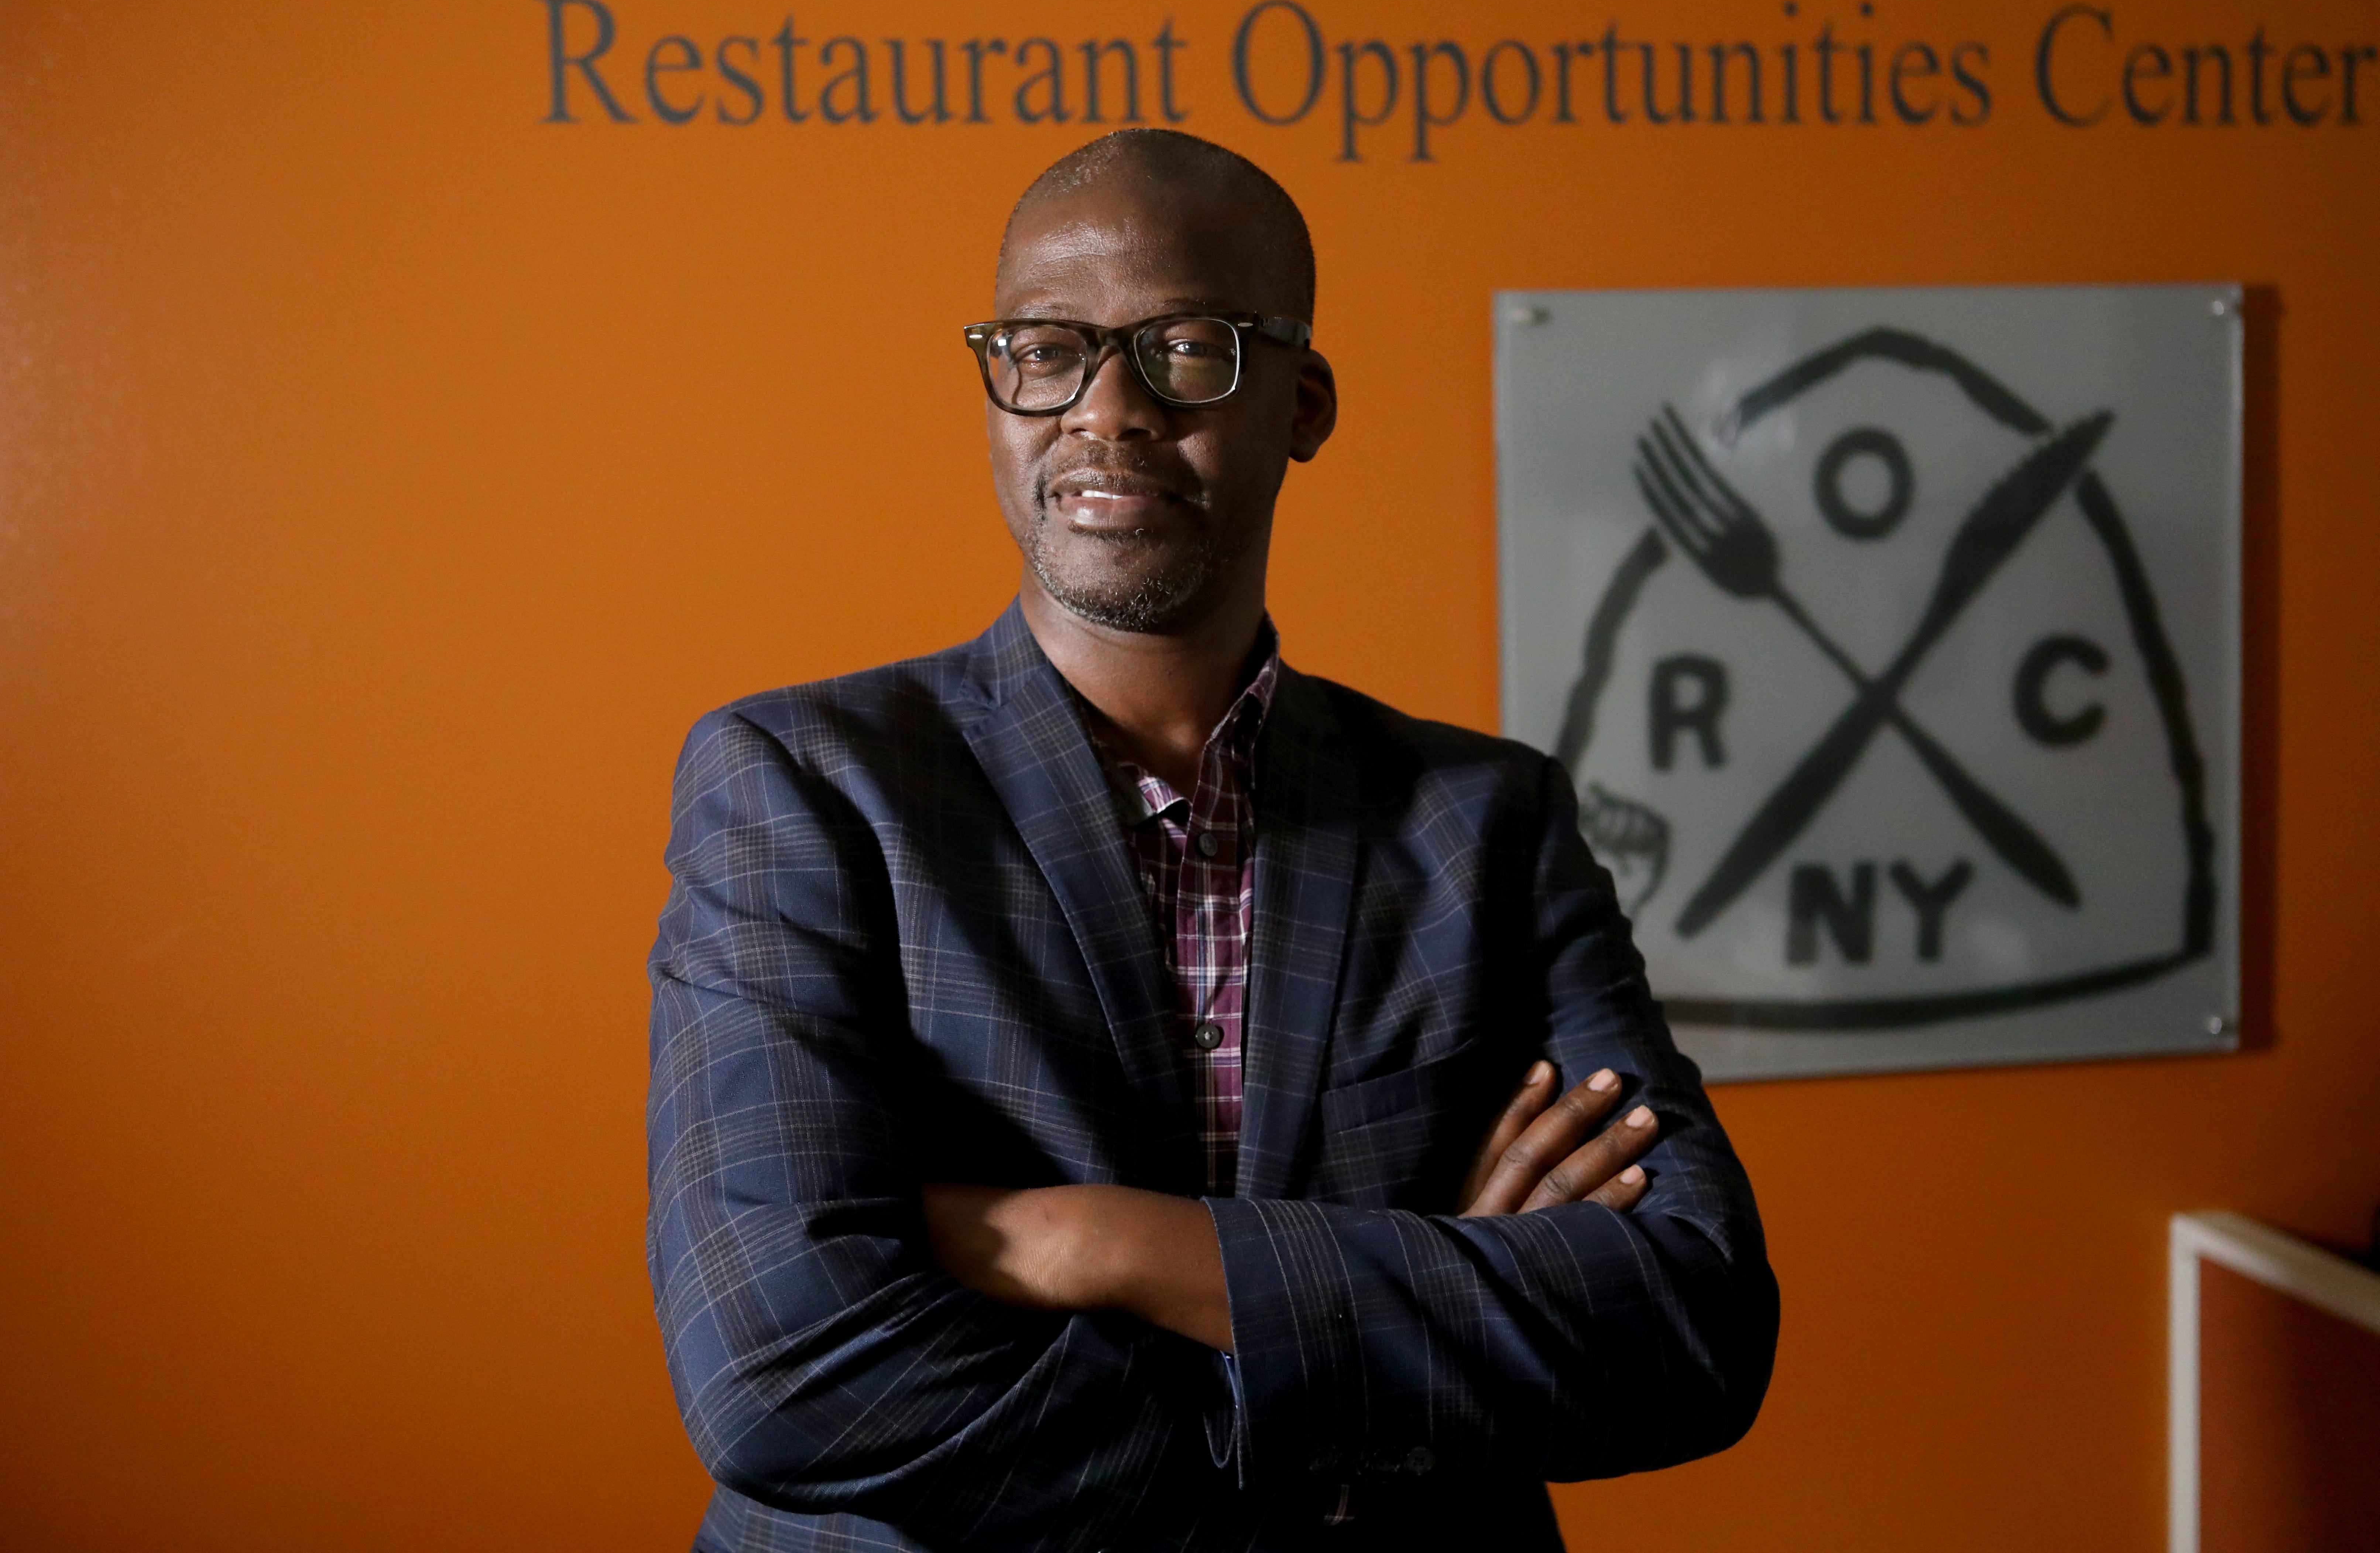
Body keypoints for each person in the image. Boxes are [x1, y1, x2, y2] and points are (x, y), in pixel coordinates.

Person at [647, 128, 1777, 1553]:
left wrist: (1094, 1242)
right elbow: (783, 1374)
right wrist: (1370, 1399)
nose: (1101, 412)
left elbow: (1687, 1322)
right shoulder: (806, 786)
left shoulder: (1489, 823)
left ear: (1302, 403)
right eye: (1045, 347)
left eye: (1185, 346)